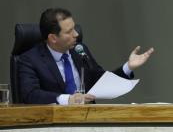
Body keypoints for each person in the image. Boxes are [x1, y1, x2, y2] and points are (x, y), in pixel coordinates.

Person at [18, 8, 154, 104]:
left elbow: (102, 80)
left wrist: (128, 67)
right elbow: (31, 94)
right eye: (69, 31)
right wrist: (67, 99)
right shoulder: (29, 60)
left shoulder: (80, 50)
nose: (76, 34)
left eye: (75, 28)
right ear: (53, 38)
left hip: (88, 121)